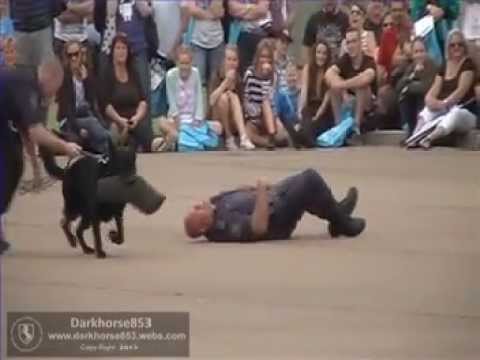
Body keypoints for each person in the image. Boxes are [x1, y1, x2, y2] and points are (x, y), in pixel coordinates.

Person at [0, 59, 82, 254]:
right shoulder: (29, 88)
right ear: (51, 79)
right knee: (7, 167)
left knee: (14, 162)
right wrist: (66, 146)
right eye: (56, 90)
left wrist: (36, 167)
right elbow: (36, 131)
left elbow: (25, 130)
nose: (54, 97)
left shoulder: (27, 83)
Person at [184, 168, 366, 242]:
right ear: (202, 227)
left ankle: (337, 216)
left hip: (273, 198)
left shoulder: (215, 205)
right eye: (197, 210)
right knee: (310, 180)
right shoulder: (224, 227)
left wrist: (256, 188)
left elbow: (236, 193)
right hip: (278, 219)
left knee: (302, 183)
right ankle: (342, 223)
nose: (199, 204)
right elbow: (259, 227)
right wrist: (262, 191)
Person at [408, 30, 478, 149]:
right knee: (426, 111)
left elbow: (460, 92)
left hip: (464, 111)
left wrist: (444, 104)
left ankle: (430, 138)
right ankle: (414, 136)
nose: (456, 47)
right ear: (448, 47)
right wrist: (431, 102)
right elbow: (432, 91)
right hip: (443, 107)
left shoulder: (468, 65)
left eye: (460, 44)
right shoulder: (444, 65)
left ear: (464, 46)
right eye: (452, 45)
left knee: (454, 114)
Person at [102, 34, 164, 152]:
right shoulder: (107, 73)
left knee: (145, 135)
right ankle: (123, 142)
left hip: (133, 119)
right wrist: (120, 120)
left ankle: (155, 144)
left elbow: (142, 101)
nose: (121, 52)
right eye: (118, 48)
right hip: (116, 119)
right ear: (113, 51)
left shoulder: (133, 72)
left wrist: (137, 117)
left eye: (124, 48)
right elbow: (105, 105)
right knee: (118, 134)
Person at [160, 45, 222, 151]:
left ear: (191, 62)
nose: (184, 67)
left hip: (193, 120)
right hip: (177, 120)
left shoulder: (195, 73)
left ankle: (180, 141)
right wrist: (177, 119)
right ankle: (184, 140)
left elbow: (199, 97)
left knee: (218, 127)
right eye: (182, 63)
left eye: (187, 63)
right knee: (163, 122)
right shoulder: (170, 75)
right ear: (177, 63)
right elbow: (171, 101)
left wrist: (198, 118)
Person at [57, 40, 110, 154]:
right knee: (91, 124)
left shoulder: (88, 74)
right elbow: (67, 110)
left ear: (82, 55)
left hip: (86, 115)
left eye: (76, 54)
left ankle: (107, 152)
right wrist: (78, 129)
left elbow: (92, 103)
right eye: (70, 55)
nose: (73, 58)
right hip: (70, 120)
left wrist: (86, 80)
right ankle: (111, 140)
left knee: (94, 128)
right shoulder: (64, 78)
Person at [326, 28, 376, 130]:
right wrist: (343, 91)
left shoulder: (369, 60)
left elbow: (366, 78)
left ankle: (356, 127)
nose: (351, 46)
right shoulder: (345, 59)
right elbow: (328, 74)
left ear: (360, 43)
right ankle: (338, 126)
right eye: (348, 42)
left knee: (361, 86)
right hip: (348, 101)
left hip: (367, 105)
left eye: (354, 41)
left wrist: (342, 85)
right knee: (333, 88)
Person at [243, 39, 288, 149]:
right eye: (262, 56)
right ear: (258, 57)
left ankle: (271, 136)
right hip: (254, 115)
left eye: (268, 57)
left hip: (269, 114)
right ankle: (267, 142)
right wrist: (255, 114)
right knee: (249, 134)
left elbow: (272, 100)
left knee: (282, 136)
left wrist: (265, 78)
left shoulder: (274, 74)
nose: (265, 60)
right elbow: (246, 99)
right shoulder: (249, 73)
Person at [209, 45, 255, 150]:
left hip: (233, 119)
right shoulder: (216, 75)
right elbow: (211, 101)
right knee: (223, 98)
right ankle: (229, 138)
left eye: (234, 60)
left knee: (232, 96)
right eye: (229, 59)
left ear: (238, 62)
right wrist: (225, 83)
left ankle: (243, 137)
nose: (231, 63)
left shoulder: (239, 79)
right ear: (224, 61)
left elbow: (243, 106)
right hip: (217, 118)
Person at [294, 39, 334, 147]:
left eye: (324, 53)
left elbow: (327, 97)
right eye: (319, 52)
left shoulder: (331, 71)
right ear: (314, 53)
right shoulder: (308, 68)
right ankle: (303, 136)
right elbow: (304, 91)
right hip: (310, 107)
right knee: (305, 121)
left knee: (313, 126)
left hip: (324, 110)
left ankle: (305, 138)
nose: (321, 56)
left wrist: (317, 116)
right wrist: (300, 112)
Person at [395, 37, 437, 137]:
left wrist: (408, 86)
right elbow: (398, 87)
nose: (419, 55)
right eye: (416, 52)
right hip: (412, 102)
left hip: (428, 102)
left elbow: (426, 87)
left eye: (422, 51)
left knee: (418, 95)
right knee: (403, 96)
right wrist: (413, 75)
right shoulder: (411, 67)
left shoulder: (431, 65)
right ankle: (408, 130)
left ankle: (420, 130)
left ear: (426, 52)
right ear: (412, 54)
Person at [181, 0, 225, 86]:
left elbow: (217, 11)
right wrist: (211, 15)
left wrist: (203, 13)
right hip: (197, 41)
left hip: (217, 40)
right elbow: (192, 10)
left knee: (215, 82)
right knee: (197, 81)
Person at [228, 0, 271, 75]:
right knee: (240, 71)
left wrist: (243, 12)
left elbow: (262, 10)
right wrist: (253, 7)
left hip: (260, 35)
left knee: (259, 69)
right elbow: (232, 9)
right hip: (240, 35)